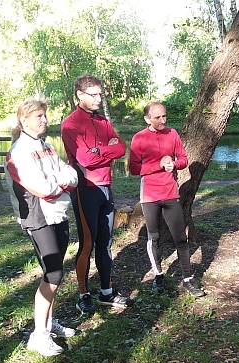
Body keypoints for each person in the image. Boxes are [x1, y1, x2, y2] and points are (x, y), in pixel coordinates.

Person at [4, 99, 78, 357]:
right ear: (24, 120)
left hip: (59, 214)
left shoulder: (46, 147)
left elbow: (72, 176)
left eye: (45, 115)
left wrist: (58, 181)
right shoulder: (19, 151)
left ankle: (48, 320)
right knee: (53, 275)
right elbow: (42, 188)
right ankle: (39, 335)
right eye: (39, 116)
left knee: (54, 276)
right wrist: (59, 182)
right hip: (38, 217)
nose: (44, 120)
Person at [61, 74, 134, 312]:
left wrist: (98, 150)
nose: (99, 99)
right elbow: (84, 159)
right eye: (94, 94)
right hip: (85, 190)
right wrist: (105, 150)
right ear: (80, 95)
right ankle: (83, 294)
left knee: (106, 242)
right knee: (87, 244)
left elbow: (121, 148)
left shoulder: (103, 121)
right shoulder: (71, 124)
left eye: (101, 94)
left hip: (106, 187)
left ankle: (106, 291)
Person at [128, 102, 205, 297]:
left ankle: (187, 279)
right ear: (147, 119)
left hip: (171, 193)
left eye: (164, 116)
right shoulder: (139, 138)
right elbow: (134, 168)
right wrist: (158, 164)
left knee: (180, 237)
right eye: (157, 117)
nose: (162, 120)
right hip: (150, 196)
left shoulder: (172, 134)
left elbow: (184, 159)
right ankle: (158, 275)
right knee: (154, 237)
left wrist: (175, 164)